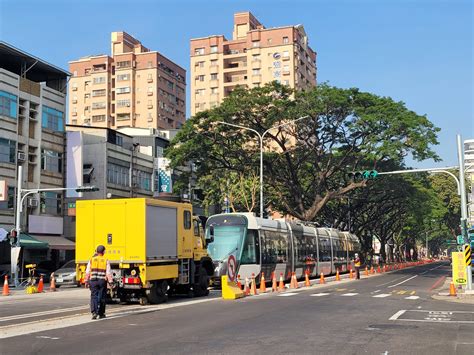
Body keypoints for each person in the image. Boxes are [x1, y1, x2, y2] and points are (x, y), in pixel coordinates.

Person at [85, 245, 112, 320]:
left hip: (93, 281)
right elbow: (108, 272)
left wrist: (86, 281)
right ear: (103, 252)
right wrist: (111, 282)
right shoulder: (106, 260)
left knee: (94, 296)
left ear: (96, 251)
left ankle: (94, 312)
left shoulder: (91, 260)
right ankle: (101, 313)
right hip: (102, 281)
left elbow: (87, 271)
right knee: (102, 297)